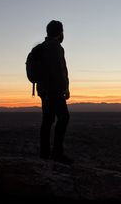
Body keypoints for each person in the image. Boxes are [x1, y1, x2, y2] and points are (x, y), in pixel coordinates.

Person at [37, 20, 73, 165]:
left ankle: (45, 154)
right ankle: (57, 153)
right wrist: (65, 88)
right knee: (63, 118)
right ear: (60, 32)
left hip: (44, 90)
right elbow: (59, 70)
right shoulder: (56, 47)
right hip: (54, 90)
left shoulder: (43, 47)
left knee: (47, 121)